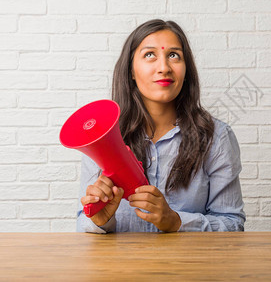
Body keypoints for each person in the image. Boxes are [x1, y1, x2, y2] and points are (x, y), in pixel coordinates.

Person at [77, 19, 245, 233]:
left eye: (174, 55)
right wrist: (100, 221)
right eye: (149, 55)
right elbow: (83, 222)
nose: (164, 67)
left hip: (189, 266)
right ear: (130, 70)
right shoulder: (103, 138)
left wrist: (176, 222)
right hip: (119, 267)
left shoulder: (217, 137)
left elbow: (233, 224)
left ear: (186, 71)